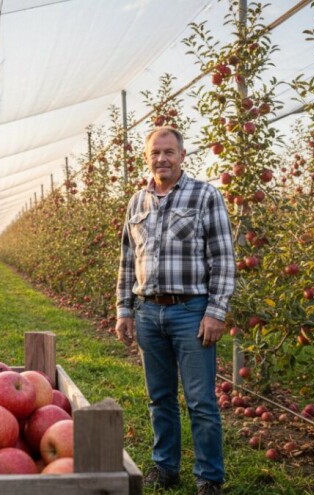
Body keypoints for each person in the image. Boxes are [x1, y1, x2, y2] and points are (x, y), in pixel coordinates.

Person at [114, 126, 235, 495]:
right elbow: (126, 260)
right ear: (146, 157)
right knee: (159, 397)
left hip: (191, 311)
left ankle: (209, 477)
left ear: (183, 155)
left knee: (200, 400)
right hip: (149, 311)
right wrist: (124, 309)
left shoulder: (205, 195)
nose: (161, 159)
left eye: (169, 152)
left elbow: (224, 259)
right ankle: (166, 468)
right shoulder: (137, 202)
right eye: (155, 153)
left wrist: (215, 312)